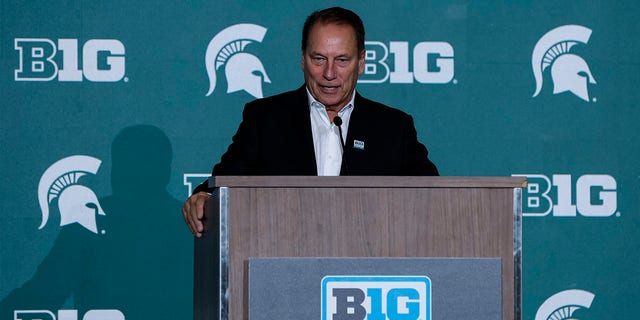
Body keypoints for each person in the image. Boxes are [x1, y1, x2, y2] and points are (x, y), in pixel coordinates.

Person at [182, 7, 438, 237]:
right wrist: (203, 197)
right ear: (303, 59)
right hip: (284, 264)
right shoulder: (265, 118)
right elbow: (224, 184)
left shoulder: (393, 127)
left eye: (341, 60)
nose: (329, 74)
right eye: (318, 59)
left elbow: (434, 198)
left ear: (361, 62)